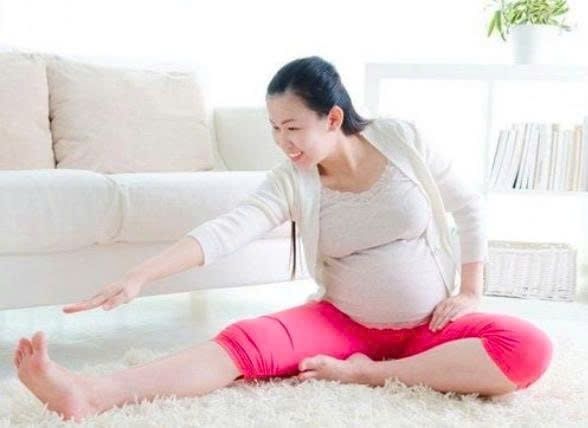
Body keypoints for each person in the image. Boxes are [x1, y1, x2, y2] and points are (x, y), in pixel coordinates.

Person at [13, 56, 553, 422]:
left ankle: (372, 376)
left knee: (529, 348)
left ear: (333, 118)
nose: (282, 141)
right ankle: (91, 394)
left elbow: (468, 206)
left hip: (432, 325)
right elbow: (228, 230)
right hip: (342, 324)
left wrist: (470, 291)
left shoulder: (401, 140)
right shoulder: (291, 180)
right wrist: (140, 275)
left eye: (292, 127)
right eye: (274, 128)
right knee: (243, 342)